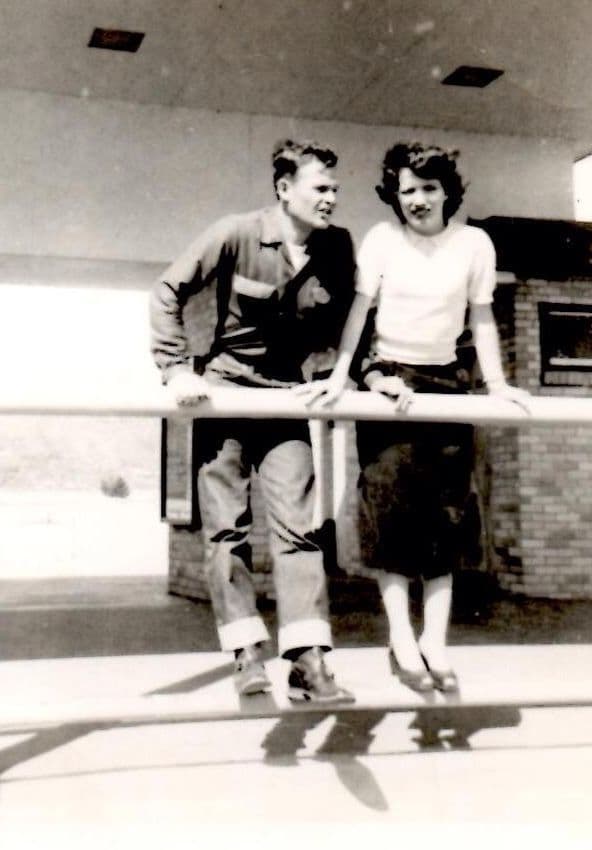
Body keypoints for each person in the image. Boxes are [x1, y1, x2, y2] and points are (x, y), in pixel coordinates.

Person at [298, 142, 528, 693]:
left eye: (428, 188)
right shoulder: (383, 241)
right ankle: (402, 640)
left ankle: (436, 644)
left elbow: (481, 318)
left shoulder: (474, 244)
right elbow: (359, 312)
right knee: (393, 513)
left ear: (448, 191)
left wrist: (496, 386)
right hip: (390, 381)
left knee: (446, 517)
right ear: (393, 198)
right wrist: (342, 376)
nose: (418, 201)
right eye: (407, 191)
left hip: (447, 380)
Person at [150, 139, 356, 704]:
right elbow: (167, 290)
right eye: (321, 188)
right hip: (226, 398)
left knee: (299, 528)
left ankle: (309, 662)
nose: (331, 199)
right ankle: (246, 655)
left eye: (335, 189)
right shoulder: (236, 233)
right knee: (226, 530)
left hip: (286, 400)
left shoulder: (337, 247)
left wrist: (347, 373)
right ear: (284, 188)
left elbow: (353, 319)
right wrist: (174, 369)